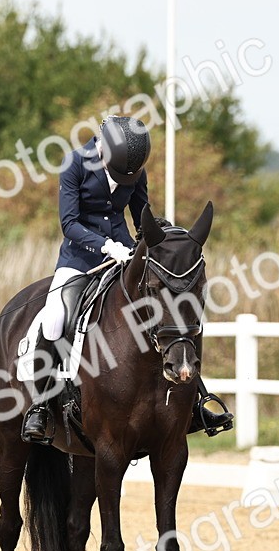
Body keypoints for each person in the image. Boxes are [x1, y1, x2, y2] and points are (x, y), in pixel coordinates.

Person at [20, 115, 233, 444]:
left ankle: (195, 402)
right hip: (80, 259)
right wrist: (106, 246)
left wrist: (165, 237)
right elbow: (69, 223)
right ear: (102, 149)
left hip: (126, 258)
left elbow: (141, 216)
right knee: (55, 317)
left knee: (169, 311)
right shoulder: (74, 164)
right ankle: (41, 404)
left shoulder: (135, 171)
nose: (126, 180)